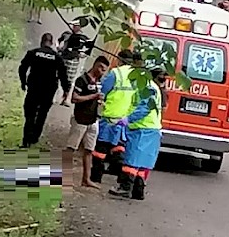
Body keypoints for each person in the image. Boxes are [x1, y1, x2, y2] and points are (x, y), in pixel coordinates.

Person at [109, 67, 165, 200]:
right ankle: (138, 190)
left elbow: (144, 108)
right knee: (142, 161)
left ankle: (124, 187)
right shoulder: (153, 87)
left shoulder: (147, 87)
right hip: (151, 129)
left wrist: (128, 119)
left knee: (132, 159)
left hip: (142, 129)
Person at [90, 50, 143, 184]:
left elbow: (103, 92)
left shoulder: (116, 73)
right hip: (125, 119)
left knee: (100, 149)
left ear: (119, 60)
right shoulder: (137, 76)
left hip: (109, 117)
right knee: (119, 146)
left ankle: (96, 176)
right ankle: (118, 172)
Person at [65, 56, 110, 189]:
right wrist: (92, 96)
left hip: (93, 119)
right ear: (95, 65)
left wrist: (100, 101)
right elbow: (74, 98)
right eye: (101, 68)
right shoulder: (82, 80)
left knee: (89, 150)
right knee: (70, 148)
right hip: (80, 119)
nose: (102, 72)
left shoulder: (99, 82)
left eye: (104, 70)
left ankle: (86, 179)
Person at [18, 33, 69, 148]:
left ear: (42, 42)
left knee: (30, 115)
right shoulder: (57, 57)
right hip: (48, 91)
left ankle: (26, 140)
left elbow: (22, 68)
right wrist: (66, 91)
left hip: (34, 89)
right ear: (51, 43)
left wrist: (23, 82)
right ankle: (35, 137)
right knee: (42, 114)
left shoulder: (33, 53)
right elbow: (63, 75)